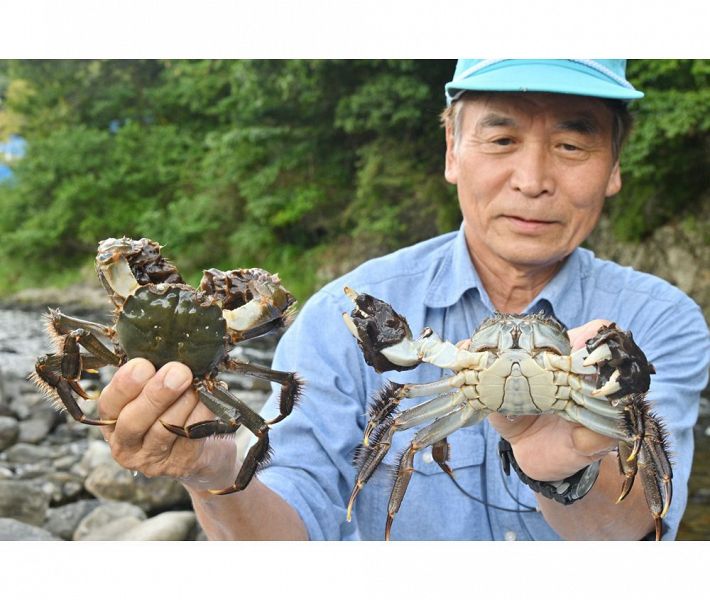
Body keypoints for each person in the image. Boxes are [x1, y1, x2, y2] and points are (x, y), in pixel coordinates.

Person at [98, 59, 709, 540]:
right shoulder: (352, 315)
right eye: (501, 139)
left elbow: (647, 533)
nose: (532, 180)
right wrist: (210, 471)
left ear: (613, 167)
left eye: (572, 146)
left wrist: (562, 467)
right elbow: (290, 533)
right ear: (451, 149)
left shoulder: (655, 322)